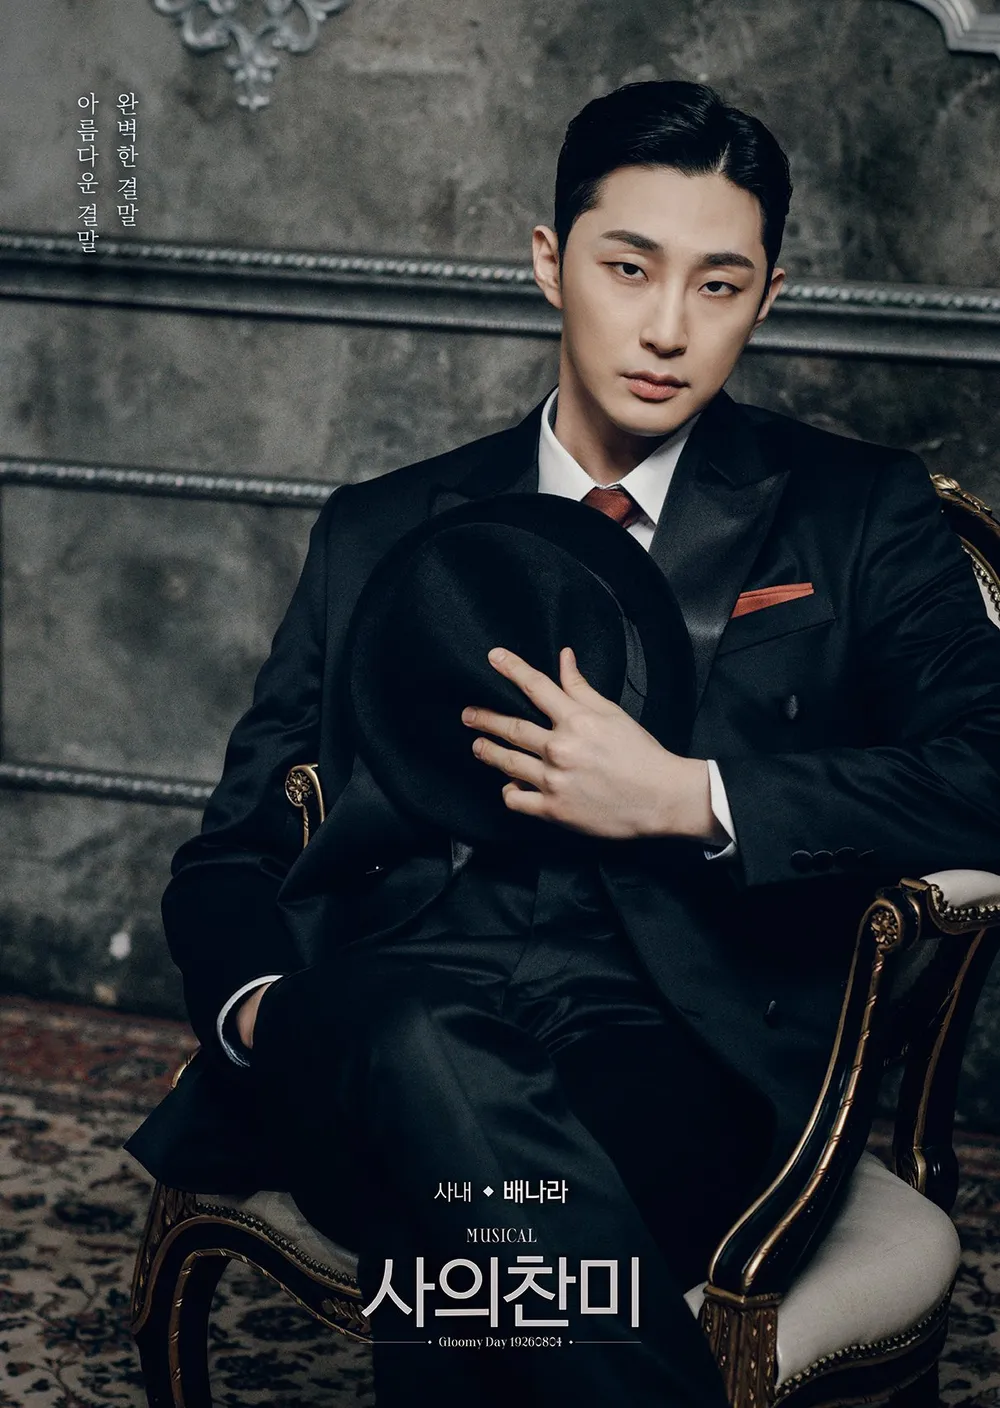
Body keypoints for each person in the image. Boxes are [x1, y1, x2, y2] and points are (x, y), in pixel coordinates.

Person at [126, 81, 1000, 1406]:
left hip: (679, 1057)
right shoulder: (383, 528)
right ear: (551, 262)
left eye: (718, 285)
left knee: (461, 1213)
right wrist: (266, 1011)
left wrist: (692, 796)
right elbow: (237, 846)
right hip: (369, 1026)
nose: (667, 328)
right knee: (411, 1037)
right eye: (628, 268)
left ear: (769, 296)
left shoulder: (853, 511)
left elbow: (988, 767)